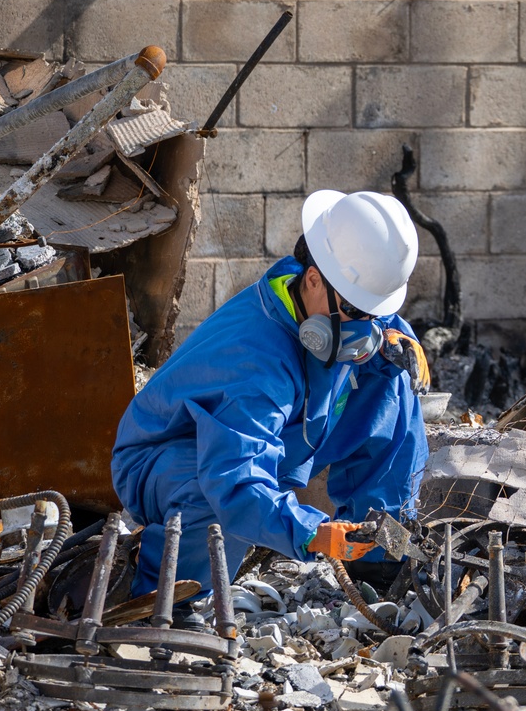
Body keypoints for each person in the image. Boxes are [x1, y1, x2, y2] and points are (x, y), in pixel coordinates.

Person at [111, 190, 431, 617]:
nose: (368, 327)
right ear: (314, 279)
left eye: (376, 313)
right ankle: (159, 598)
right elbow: (235, 480)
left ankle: (376, 559)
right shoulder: (255, 363)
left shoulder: (318, 299)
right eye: (359, 311)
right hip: (168, 458)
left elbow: (370, 315)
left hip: (272, 439)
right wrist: (311, 533)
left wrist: (393, 335)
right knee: (212, 497)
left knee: (392, 375)